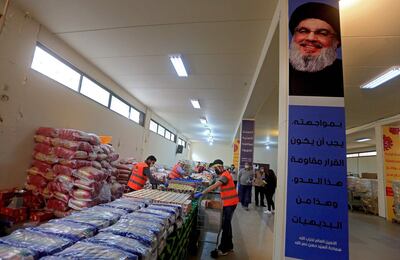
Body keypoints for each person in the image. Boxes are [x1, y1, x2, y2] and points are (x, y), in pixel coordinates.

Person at [289, 2, 344, 97]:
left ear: (337, 41)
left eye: (322, 33)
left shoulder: (345, 74)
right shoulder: (279, 71)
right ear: (294, 36)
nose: (310, 38)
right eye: (303, 31)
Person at [194, 159, 238, 256]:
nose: (215, 170)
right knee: (227, 225)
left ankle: (223, 249)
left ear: (220, 166)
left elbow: (215, 185)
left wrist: (202, 193)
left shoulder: (225, 176)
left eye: (215, 168)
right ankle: (229, 246)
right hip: (230, 202)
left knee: (226, 226)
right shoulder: (224, 174)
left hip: (230, 203)